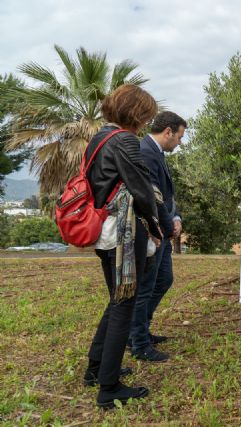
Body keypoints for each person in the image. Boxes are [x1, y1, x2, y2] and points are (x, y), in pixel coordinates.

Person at [82, 84, 163, 408]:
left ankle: (97, 368)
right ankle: (109, 386)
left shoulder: (99, 138)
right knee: (123, 304)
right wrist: (157, 227)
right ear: (137, 113)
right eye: (146, 116)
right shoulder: (125, 140)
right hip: (125, 233)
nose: (146, 122)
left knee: (116, 301)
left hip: (106, 231)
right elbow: (142, 190)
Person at [129, 111, 186, 362]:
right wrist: (166, 224)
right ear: (168, 132)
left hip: (163, 228)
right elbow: (152, 197)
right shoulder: (145, 153)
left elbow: (167, 195)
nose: (180, 142)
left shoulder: (157, 154)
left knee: (164, 279)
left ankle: (141, 329)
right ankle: (138, 341)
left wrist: (177, 217)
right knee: (145, 287)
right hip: (153, 232)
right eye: (180, 137)